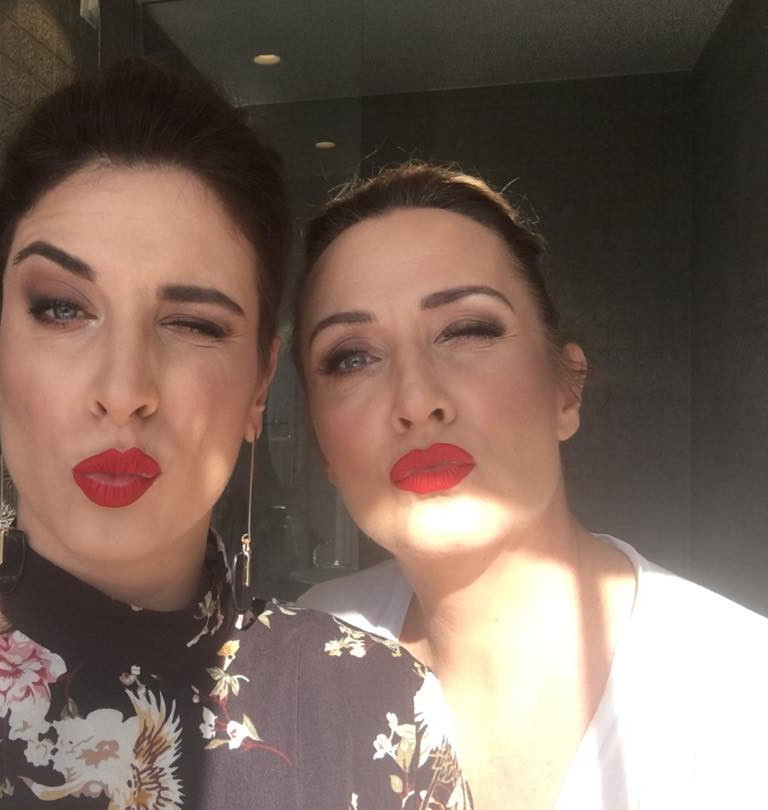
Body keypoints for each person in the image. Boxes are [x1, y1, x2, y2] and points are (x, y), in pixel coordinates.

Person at [0, 64, 472, 809]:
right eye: (62, 309)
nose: (123, 391)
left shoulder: (373, 710)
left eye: (193, 323)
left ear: (260, 385)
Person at [292, 162, 768, 809]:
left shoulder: (743, 700)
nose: (416, 400)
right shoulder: (301, 653)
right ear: (321, 442)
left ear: (565, 390)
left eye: (467, 330)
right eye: (352, 357)